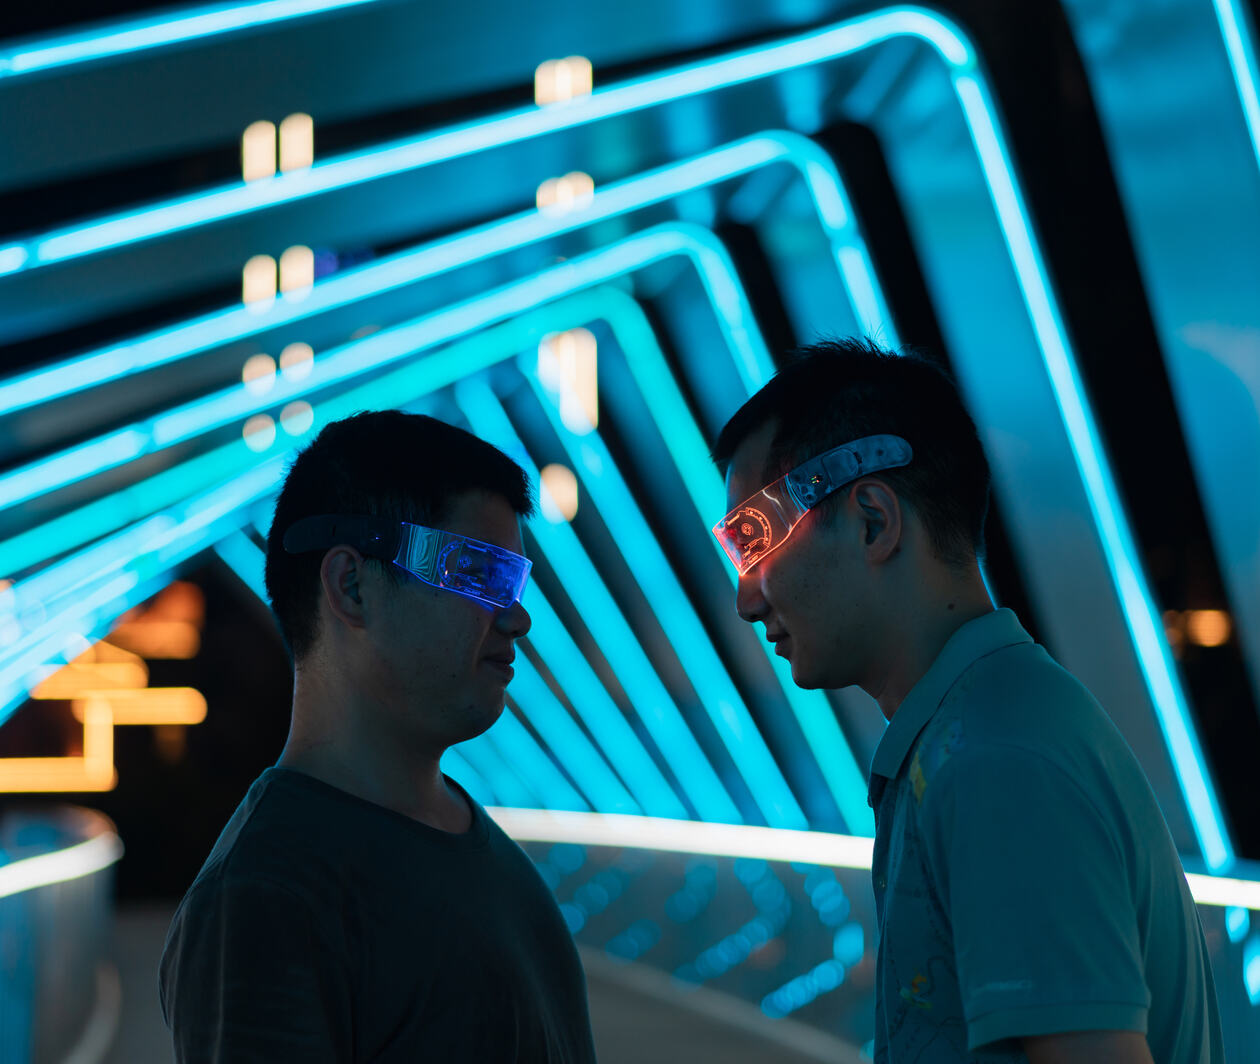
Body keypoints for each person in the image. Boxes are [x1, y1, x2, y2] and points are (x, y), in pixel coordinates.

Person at [710, 338, 1224, 1063]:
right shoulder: (985, 729)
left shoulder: (996, 762)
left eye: (754, 538)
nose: (745, 596)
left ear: (873, 520)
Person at [160, 410, 598, 1063]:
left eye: (517, 582)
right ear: (352, 586)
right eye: (481, 574)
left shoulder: (479, 849)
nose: (518, 617)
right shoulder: (265, 898)